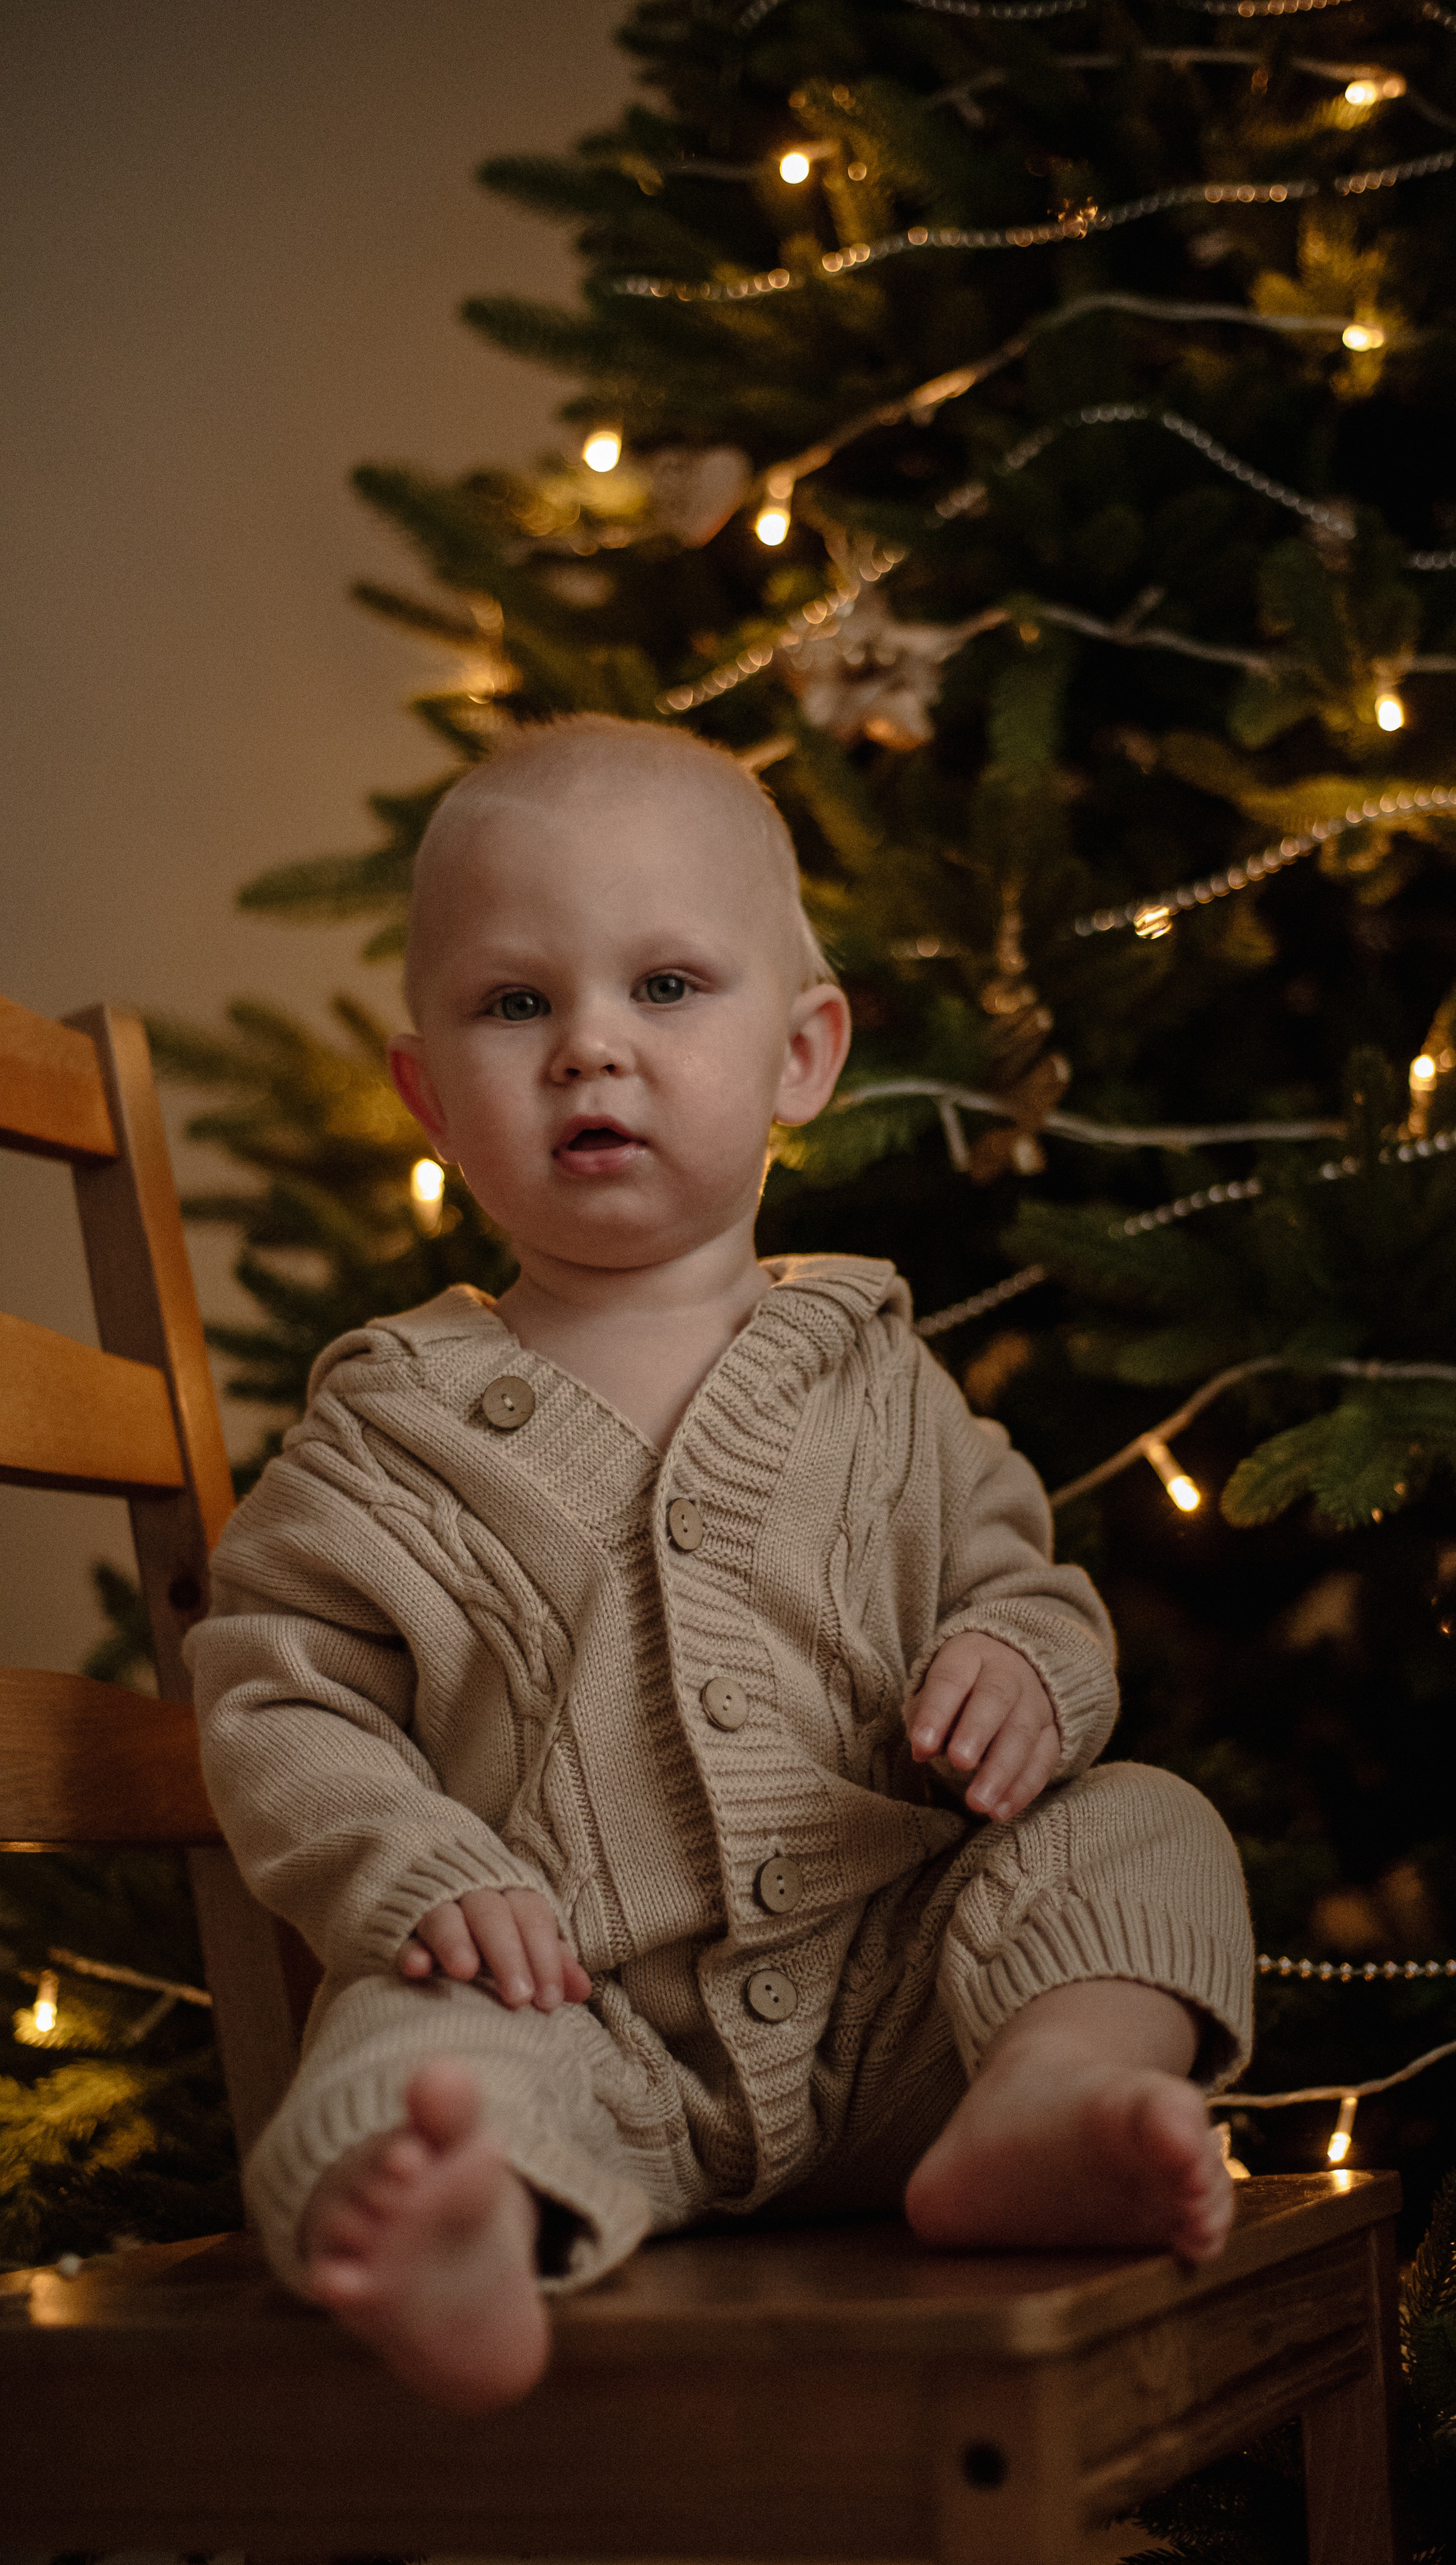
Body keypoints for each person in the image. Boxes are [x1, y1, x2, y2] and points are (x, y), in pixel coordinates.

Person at [188, 714, 1253, 2414]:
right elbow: (274, 1698)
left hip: (906, 2011)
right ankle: (460, 2220)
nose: (588, 1050)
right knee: (412, 2035)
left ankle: (1044, 2101)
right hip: (569, 2013)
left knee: (1145, 1826)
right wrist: (415, 1867)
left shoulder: (879, 1380)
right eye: (512, 1004)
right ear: (428, 1096)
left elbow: (1023, 1586)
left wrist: (1020, 1672)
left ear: (802, 1054)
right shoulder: (388, 1432)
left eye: (667, 986)